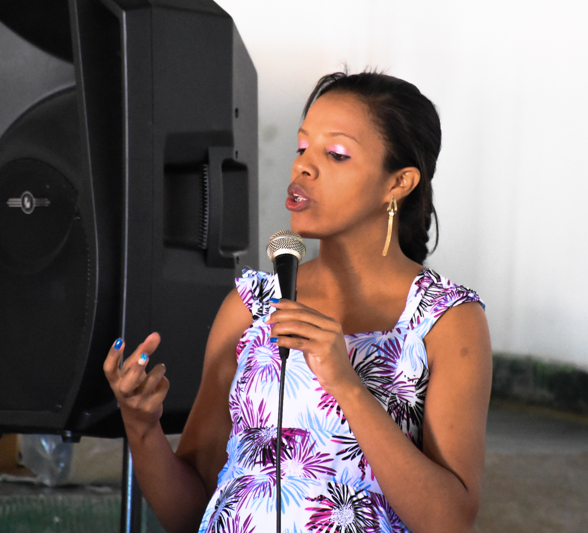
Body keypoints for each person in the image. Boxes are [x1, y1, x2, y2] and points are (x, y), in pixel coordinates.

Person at [103, 71, 492, 533]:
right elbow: (189, 515)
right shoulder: (250, 306)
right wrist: (141, 426)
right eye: (302, 147)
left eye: (336, 154)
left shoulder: (447, 320)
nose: (303, 167)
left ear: (398, 183)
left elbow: (450, 522)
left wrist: (346, 385)